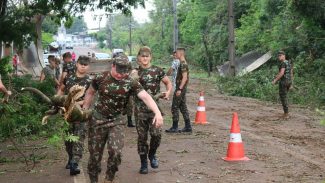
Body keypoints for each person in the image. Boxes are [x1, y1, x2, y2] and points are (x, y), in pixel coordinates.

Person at [82, 56, 163, 183]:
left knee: (116, 153)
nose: (120, 75)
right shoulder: (100, 78)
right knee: (94, 157)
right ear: (113, 66)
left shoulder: (130, 82)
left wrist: (157, 112)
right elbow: (90, 92)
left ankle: (109, 178)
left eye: (123, 72)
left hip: (117, 121)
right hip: (97, 120)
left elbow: (145, 96)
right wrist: (85, 108)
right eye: (118, 72)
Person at [134, 46, 172, 174]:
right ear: (139, 57)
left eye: (147, 56)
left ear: (151, 57)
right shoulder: (135, 72)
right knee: (142, 138)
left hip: (155, 110)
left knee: (156, 134)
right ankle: (144, 163)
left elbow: (168, 82)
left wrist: (168, 92)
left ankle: (152, 154)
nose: (144, 58)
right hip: (140, 111)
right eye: (142, 56)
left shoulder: (157, 70)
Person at [57, 55, 92, 176]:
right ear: (76, 64)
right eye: (81, 64)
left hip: (80, 113)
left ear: (88, 66)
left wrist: (76, 103)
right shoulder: (69, 77)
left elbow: (89, 98)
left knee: (79, 138)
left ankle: (74, 162)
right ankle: (70, 157)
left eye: (85, 64)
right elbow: (61, 89)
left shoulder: (89, 81)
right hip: (66, 113)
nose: (83, 66)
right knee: (68, 139)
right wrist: (57, 101)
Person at [166, 47, 192, 133]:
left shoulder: (183, 64)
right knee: (183, 106)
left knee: (175, 106)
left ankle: (175, 127)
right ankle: (188, 127)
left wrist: (179, 89)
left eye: (176, 53)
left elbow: (184, 78)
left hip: (180, 88)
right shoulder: (181, 63)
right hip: (181, 87)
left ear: (180, 54)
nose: (175, 54)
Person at [272, 51, 292, 119]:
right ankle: (286, 113)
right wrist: (291, 82)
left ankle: (286, 114)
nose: (279, 57)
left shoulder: (283, 63)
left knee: (283, 97)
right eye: (278, 56)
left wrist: (275, 80)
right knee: (285, 96)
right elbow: (291, 72)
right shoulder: (288, 62)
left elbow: (282, 73)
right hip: (288, 81)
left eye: (280, 55)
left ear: (284, 55)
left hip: (284, 82)